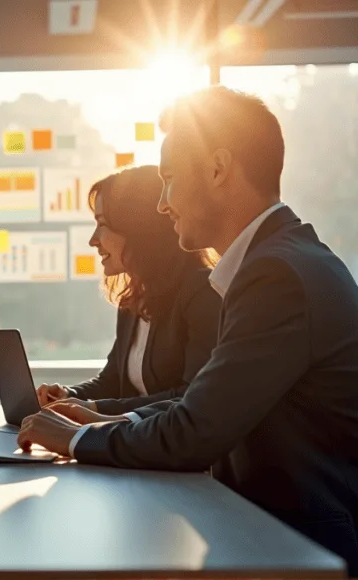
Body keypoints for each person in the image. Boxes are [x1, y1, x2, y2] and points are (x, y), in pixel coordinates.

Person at [18, 86, 358, 572]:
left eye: (169, 179)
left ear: (218, 169)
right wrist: (98, 419)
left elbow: (196, 431)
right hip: (259, 531)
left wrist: (73, 440)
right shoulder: (278, 260)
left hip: (296, 548)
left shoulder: (276, 275)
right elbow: (203, 402)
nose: (162, 204)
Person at [35, 165, 220, 415]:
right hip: (133, 444)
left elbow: (189, 398)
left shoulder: (202, 293)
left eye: (102, 224)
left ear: (138, 229)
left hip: (172, 449)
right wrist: (69, 396)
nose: (93, 240)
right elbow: (112, 382)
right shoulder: (134, 299)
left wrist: (93, 409)